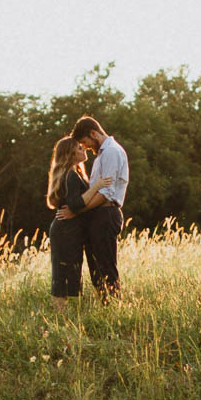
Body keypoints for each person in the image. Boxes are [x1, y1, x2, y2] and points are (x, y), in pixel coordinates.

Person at [62, 115, 128, 296]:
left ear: (93, 133)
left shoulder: (111, 152)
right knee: (96, 270)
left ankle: (114, 308)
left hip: (106, 214)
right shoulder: (101, 155)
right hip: (97, 216)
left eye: (85, 142)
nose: (87, 147)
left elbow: (105, 194)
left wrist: (76, 211)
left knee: (106, 267)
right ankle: (106, 306)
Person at [46, 136, 112, 303]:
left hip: (69, 230)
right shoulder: (71, 175)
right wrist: (97, 186)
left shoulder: (70, 174)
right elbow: (75, 205)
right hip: (66, 231)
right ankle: (59, 319)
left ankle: (64, 319)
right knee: (63, 274)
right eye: (79, 148)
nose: (84, 149)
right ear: (70, 153)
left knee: (69, 273)